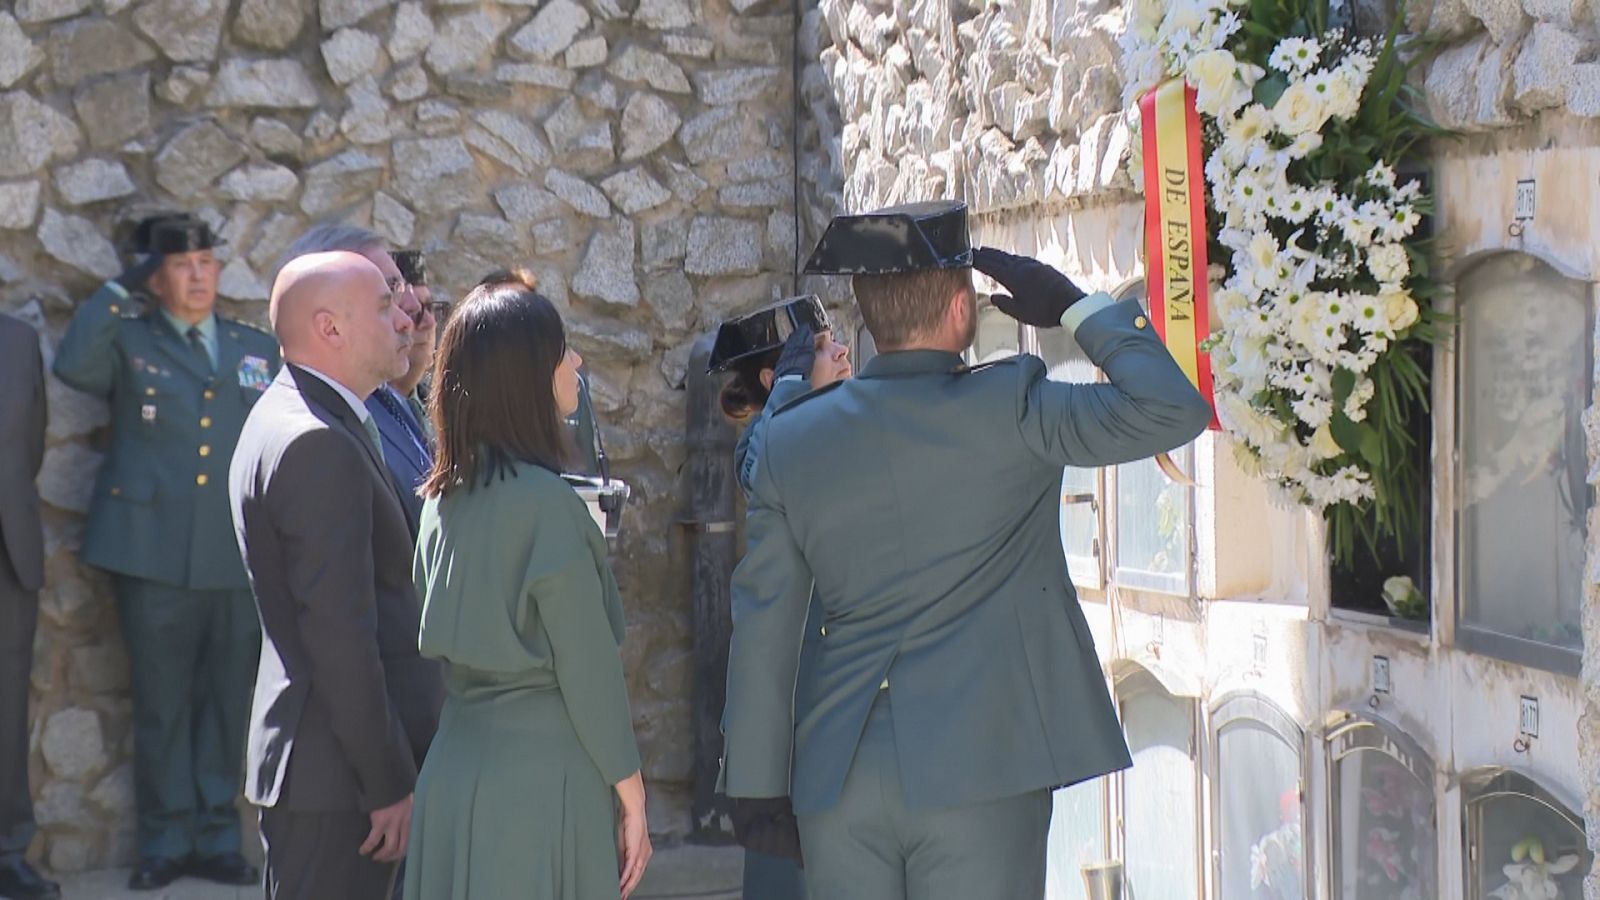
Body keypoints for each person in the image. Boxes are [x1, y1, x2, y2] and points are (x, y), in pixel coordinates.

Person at [719, 200, 1213, 899]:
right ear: (960, 312)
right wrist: (1073, 305)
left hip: (839, 778)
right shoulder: (1013, 406)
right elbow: (1172, 408)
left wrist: (757, 784)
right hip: (982, 770)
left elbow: (765, 618)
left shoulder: (791, 439)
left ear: (867, 316)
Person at [404, 270, 651, 900]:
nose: (573, 362)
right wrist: (632, 795)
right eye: (559, 350)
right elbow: (589, 670)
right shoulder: (548, 507)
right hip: (543, 788)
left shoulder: (439, 501)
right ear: (527, 376)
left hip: (453, 773)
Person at [53, 214, 276, 891]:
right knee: (160, 703)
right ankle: (164, 839)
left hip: (233, 557)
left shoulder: (251, 346)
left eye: (207, 261)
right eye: (183, 264)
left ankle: (216, 835)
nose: (200, 274)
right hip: (151, 555)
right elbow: (73, 366)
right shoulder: (131, 338)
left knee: (226, 701)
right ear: (157, 273)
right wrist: (123, 290)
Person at [228, 252, 444, 900]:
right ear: (330, 328)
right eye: (384, 305)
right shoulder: (314, 439)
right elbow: (340, 636)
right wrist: (388, 784)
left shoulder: (311, 414)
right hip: (343, 784)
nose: (404, 318)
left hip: (335, 771)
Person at [707, 296, 851, 900]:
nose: (842, 350)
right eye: (821, 347)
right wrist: (795, 389)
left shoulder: (835, 428)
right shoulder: (758, 450)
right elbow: (772, 460)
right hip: (791, 703)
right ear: (777, 377)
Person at [0, 313, 56, 900]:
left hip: (6, 553)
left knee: (7, 713)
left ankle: (6, 851)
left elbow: (28, 445)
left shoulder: (17, 338)